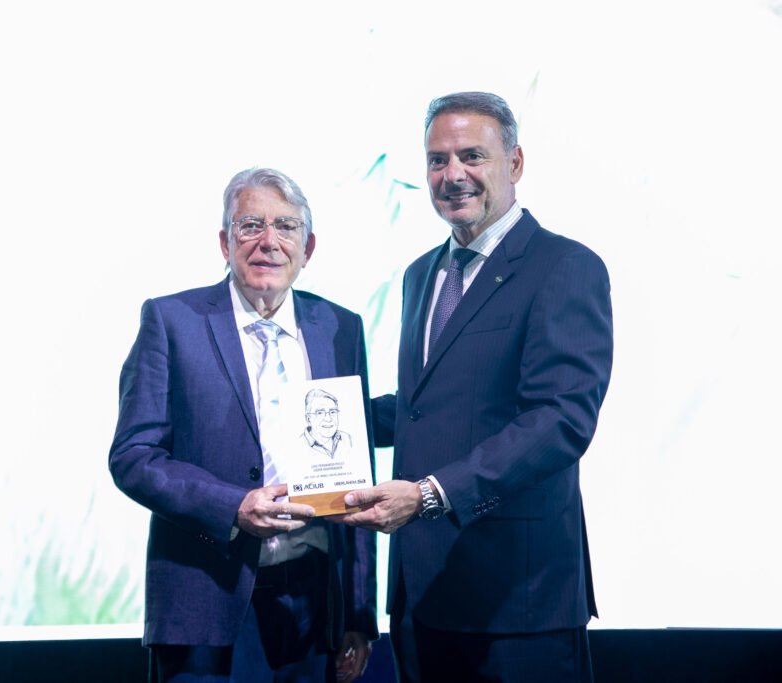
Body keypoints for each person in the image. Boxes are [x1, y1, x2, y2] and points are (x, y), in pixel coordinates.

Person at [338, 92, 614, 682]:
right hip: (421, 594)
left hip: (517, 600)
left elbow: (560, 420)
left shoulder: (565, 266)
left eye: (472, 156)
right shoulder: (422, 273)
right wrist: (312, 422)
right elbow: (426, 407)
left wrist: (431, 494)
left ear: (514, 163)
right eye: (437, 160)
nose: (452, 174)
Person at [110, 167, 377, 683]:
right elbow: (133, 456)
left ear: (308, 247)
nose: (268, 241)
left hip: (313, 606)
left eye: (286, 226)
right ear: (225, 242)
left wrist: (359, 614)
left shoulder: (340, 327)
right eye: (250, 225)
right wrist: (232, 506)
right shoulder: (171, 320)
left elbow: (356, 467)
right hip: (204, 598)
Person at [300, 389, 354, 461]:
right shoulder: (297, 446)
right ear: (308, 419)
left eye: (332, 412)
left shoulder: (347, 439)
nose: (328, 419)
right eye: (320, 413)